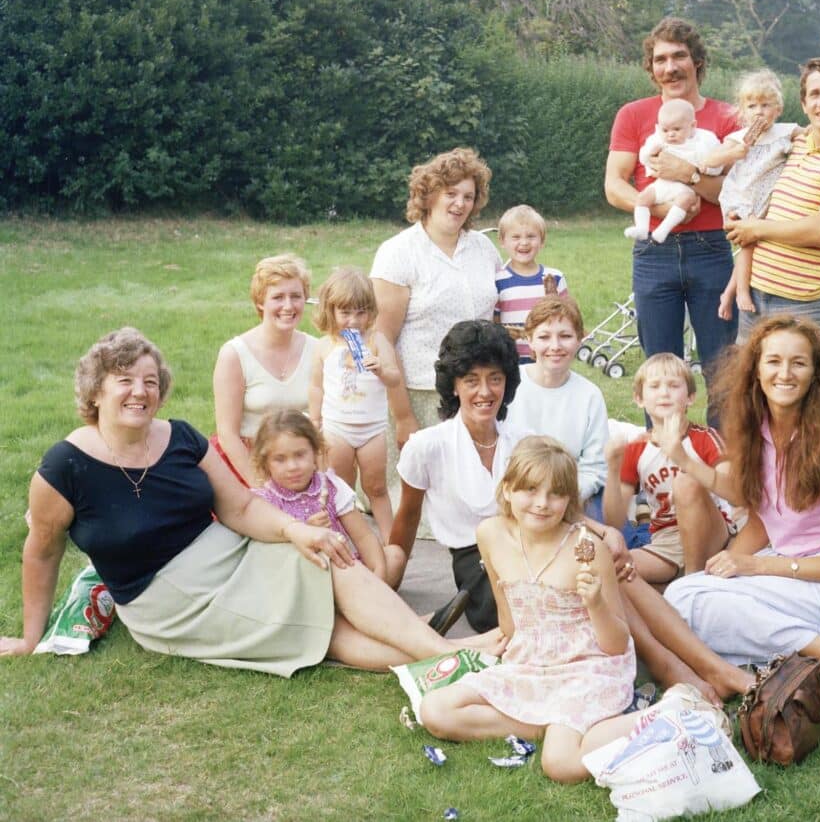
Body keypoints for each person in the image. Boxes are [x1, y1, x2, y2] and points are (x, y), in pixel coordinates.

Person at [0, 328, 504, 673]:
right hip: (170, 601)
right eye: (125, 381)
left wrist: (298, 530)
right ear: (95, 392)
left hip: (230, 555)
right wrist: (29, 636)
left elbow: (240, 508)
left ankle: (443, 651)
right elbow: (42, 552)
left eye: (150, 381)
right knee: (307, 625)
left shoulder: (179, 437)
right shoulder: (65, 466)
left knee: (323, 553)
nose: (140, 392)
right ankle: (448, 653)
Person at [663, 315, 820, 704]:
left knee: (690, 604)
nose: (785, 373)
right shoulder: (756, 431)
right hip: (785, 573)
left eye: (798, 362)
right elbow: (767, 520)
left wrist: (756, 567)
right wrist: (728, 565)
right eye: (773, 361)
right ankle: (805, 658)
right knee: (683, 596)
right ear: (756, 370)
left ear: (815, 374)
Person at [419, 436, 635, 784]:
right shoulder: (489, 534)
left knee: (562, 766)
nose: (541, 503)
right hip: (531, 661)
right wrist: (493, 646)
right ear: (507, 490)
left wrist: (595, 603)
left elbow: (616, 644)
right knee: (436, 710)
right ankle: (554, 725)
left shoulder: (587, 549)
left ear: (569, 500)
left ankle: (667, 713)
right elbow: (510, 618)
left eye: (555, 494)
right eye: (530, 490)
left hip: (585, 667)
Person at [605, 17, 742, 396]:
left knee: (723, 370)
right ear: (651, 68)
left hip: (711, 250)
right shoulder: (632, 115)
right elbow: (614, 185)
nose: (670, 67)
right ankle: (663, 453)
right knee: (658, 374)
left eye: (679, 56)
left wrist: (690, 175)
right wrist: (657, 211)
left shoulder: (728, 118)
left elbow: (736, 195)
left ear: (696, 61)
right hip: (654, 252)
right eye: (660, 59)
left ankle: (720, 452)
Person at [726, 56, 820, 360]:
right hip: (755, 297)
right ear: (804, 103)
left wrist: (754, 228)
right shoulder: (792, 144)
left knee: (811, 404)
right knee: (751, 401)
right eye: (815, 94)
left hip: (808, 305)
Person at [371, 148, 501, 507]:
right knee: (427, 506)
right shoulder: (398, 252)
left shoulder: (484, 249)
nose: (460, 204)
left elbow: (496, 319)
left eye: (468, 197)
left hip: (478, 395)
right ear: (428, 195)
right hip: (421, 395)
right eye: (451, 194)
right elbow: (382, 338)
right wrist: (402, 417)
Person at [386, 320, 528, 632]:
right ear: (454, 385)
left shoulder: (523, 442)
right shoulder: (426, 446)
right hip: (474, 561)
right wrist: (389, 584)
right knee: (511, 606)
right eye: (471, 380)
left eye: (495, 379)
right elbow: (407, 517)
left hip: (528, 546)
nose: (485, 392)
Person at [604, 353, 745, 582]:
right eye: (655, 386)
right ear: (639, 399)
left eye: (673, 385)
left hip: (711, 534)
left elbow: (735, 493)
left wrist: (682, 458)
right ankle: (674, 587)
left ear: (690, 397)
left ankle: (690, 584)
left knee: (685, 482)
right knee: (612, 566)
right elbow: (614, 520)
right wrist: (612, 468)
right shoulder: (637, 449)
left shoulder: (706, 438)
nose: (664, 392)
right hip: (666, 542)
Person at [308, 267, 401, 539]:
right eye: (345, 313)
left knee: (376, 488)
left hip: (371, 428)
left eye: (360, 312)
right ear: (330, 311)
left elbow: (394, 379)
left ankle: (391, 544)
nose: (353, 321)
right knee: (341, 488)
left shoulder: (376, 341)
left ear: (370, 312)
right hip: (337, 427)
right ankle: (347, 540)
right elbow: (316, 386)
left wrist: (381, 369)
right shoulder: (325, 346)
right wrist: (314, 421)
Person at [700, 69, 800, 320]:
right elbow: (708, 162)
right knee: (748, 244)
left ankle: (728, 292)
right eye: (752, 106)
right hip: (741, 196)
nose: (759, 111)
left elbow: (811, 137)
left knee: (753, 246)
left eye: (765, 105)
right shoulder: (737, 138)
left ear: (777, 109)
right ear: (743, 112)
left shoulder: (786, 131)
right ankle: (742, 291)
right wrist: (732, 154)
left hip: (767, 198)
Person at [212, 254, 317, 486]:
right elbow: (227, 434)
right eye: (278, 297)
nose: (288, 306)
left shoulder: (317, 350)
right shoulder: (234, 354)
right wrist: (263, 488)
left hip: (301, 465)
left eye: (296, 296)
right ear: (260, 302)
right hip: (248, 464)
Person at [250, 409, 387, 579]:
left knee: (394, 556)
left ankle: (368, 595)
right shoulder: (264, 502)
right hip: (301, 579)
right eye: (280, 459)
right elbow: (269, 559)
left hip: (344, 568)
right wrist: (307, 532)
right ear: (265, 463)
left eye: (300, 455)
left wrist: (379, 576)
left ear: (315, 453)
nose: (292, 466)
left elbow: (364, 537)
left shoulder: (330, 486)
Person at [504, 297, 608, 514]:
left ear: (579, 340)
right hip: (518, 492)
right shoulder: (509, 387)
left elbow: (595, 466)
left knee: (602, 539)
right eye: (544, 337)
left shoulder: (590, 395)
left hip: (570, 493)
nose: (555, 346)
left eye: (566, 336)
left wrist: (563, 499)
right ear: (529, 340)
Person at [624, 99, 724, 244]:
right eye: (665, 130)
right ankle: (641, 228)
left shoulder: (702, 142)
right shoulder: (657, 140)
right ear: (659, 128)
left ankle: (663, 230)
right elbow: (644, 157)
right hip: (662, 184)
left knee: (686, 200)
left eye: (677, 129)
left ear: (692, 126)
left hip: (686, 188)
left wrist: (706, 168)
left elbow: (716, 163)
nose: (670, 134)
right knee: (642, 198)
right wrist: (649, 154)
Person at [494, 204, 569, 363]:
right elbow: (495, 322)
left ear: (542, 241)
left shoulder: (555, 278)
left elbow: (567, 318)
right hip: (511, 360)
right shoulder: (498, 281)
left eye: (531, 236)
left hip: (547, 358)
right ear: (502, 241)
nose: (524, 243)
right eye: (515, 237)